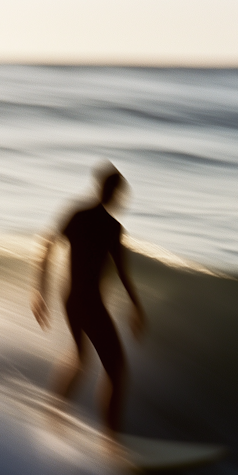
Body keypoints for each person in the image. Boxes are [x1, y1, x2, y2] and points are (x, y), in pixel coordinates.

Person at [32, 163, 145, 435]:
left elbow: (121, 271)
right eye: (115, 190)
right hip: (88, 301)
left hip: (71, 298)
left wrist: (41, 292)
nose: (117, 197)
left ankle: (53, 418)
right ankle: (111, 439)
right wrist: (38, 291)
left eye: (119, 192)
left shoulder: (83, 216)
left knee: (82, 357)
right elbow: (49, 247)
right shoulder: (98, 223)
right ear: (104, 189)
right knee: (115, 370)